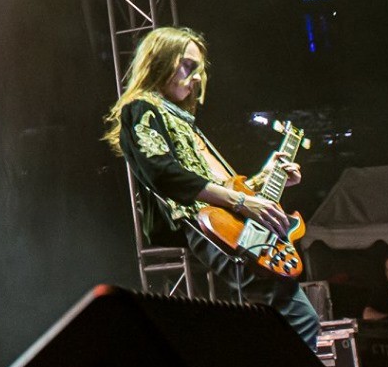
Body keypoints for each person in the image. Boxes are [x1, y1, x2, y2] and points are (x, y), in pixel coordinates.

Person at [103, 26, 319, 346]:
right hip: (205, 225)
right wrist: (243, 203)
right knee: (293, 312)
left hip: (224, 221)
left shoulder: (185, 123)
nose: (195, 78)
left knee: (280, 318)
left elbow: (220, 184)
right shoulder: (142, 108)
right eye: (187, 66)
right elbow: (163, 173)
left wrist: (265, 179)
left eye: (199, 70)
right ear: (160, 61)